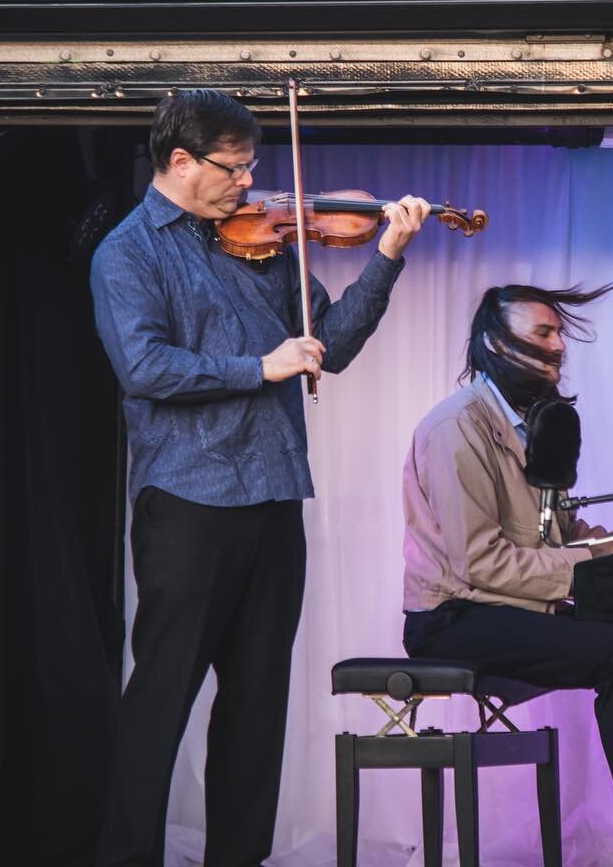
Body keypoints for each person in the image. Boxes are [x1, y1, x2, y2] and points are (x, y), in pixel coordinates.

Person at [90, 89, 431, 867]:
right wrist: (258, 366)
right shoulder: (129, 252)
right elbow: (143, 368)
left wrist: (386, 258)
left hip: (274, 494)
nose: (250, 186)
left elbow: (330, 346)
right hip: (188, 500)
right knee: (162, 701)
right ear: (180, 162)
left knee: (256, 708)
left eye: (251, 168)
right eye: (233, 170)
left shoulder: (270, 245)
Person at [400, 283, 613, 867]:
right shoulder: (456, 430)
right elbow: (478, 563)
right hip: (452, 618)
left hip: (503, 602)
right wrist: (590, 567)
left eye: (559, 334)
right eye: (543, 333)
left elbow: (559, 533)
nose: (559, 346)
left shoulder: (534, 421)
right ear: (495, 344)